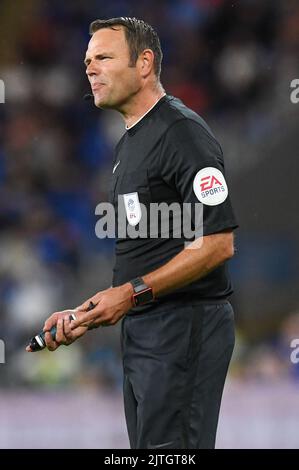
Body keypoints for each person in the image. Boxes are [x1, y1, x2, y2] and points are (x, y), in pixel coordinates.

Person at [27, 17, 238, 449]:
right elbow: (147, 256)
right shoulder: (128, 144)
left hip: (183, 328)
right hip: (145, 331)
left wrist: (130, 295)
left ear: (144, 64)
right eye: (87, 60)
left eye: (103, 57)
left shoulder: (183, 133)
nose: (89, 67)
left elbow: (218, 244)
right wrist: (84, 313)